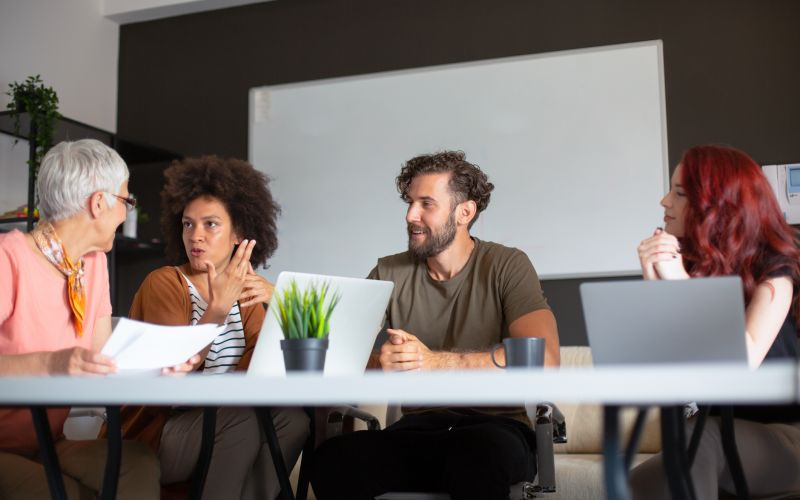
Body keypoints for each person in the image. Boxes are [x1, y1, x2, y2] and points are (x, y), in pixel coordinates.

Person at [311, 150, 560, 500]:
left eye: (426, 203)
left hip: (497, 430)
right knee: (333, 459)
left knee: (476, 454)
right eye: (410, 202)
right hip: (418, 430)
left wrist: (434, 363)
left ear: (465, 212)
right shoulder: (388, 271)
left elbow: (544, 359)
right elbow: (334, 358)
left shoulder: (508, 265)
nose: (411, 215)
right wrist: (379, 365)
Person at [117, 156, 309, 500]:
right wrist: (218, 308)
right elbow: (173, 370)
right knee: (240, 419)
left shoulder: (247, 293)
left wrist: (279, 301)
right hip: (160, 432)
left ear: (239, 234)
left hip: (223, 423)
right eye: (188, 224)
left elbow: (261, 372)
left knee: (293, 421)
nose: (196, 236)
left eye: (210, 224)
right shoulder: (164, 283)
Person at [0, 139, 175, 498]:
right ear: (99, 203)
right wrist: (53, 363)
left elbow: (104, 363)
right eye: (126, 201)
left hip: (48, 442)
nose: (126, 213)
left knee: (137, 462)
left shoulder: (91, 265)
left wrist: (163, 364)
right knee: (56, 491)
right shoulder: (9, 260)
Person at [631, 145, 800, 498]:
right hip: (714, 431)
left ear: (716, 205)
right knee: (634, 484)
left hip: (786, 434)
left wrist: (678, 284)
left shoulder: (775, 273)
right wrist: (655, 289)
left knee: (702, 440)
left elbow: (741, 365)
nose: (664, 201)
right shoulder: (693, 270)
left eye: (678, 193)